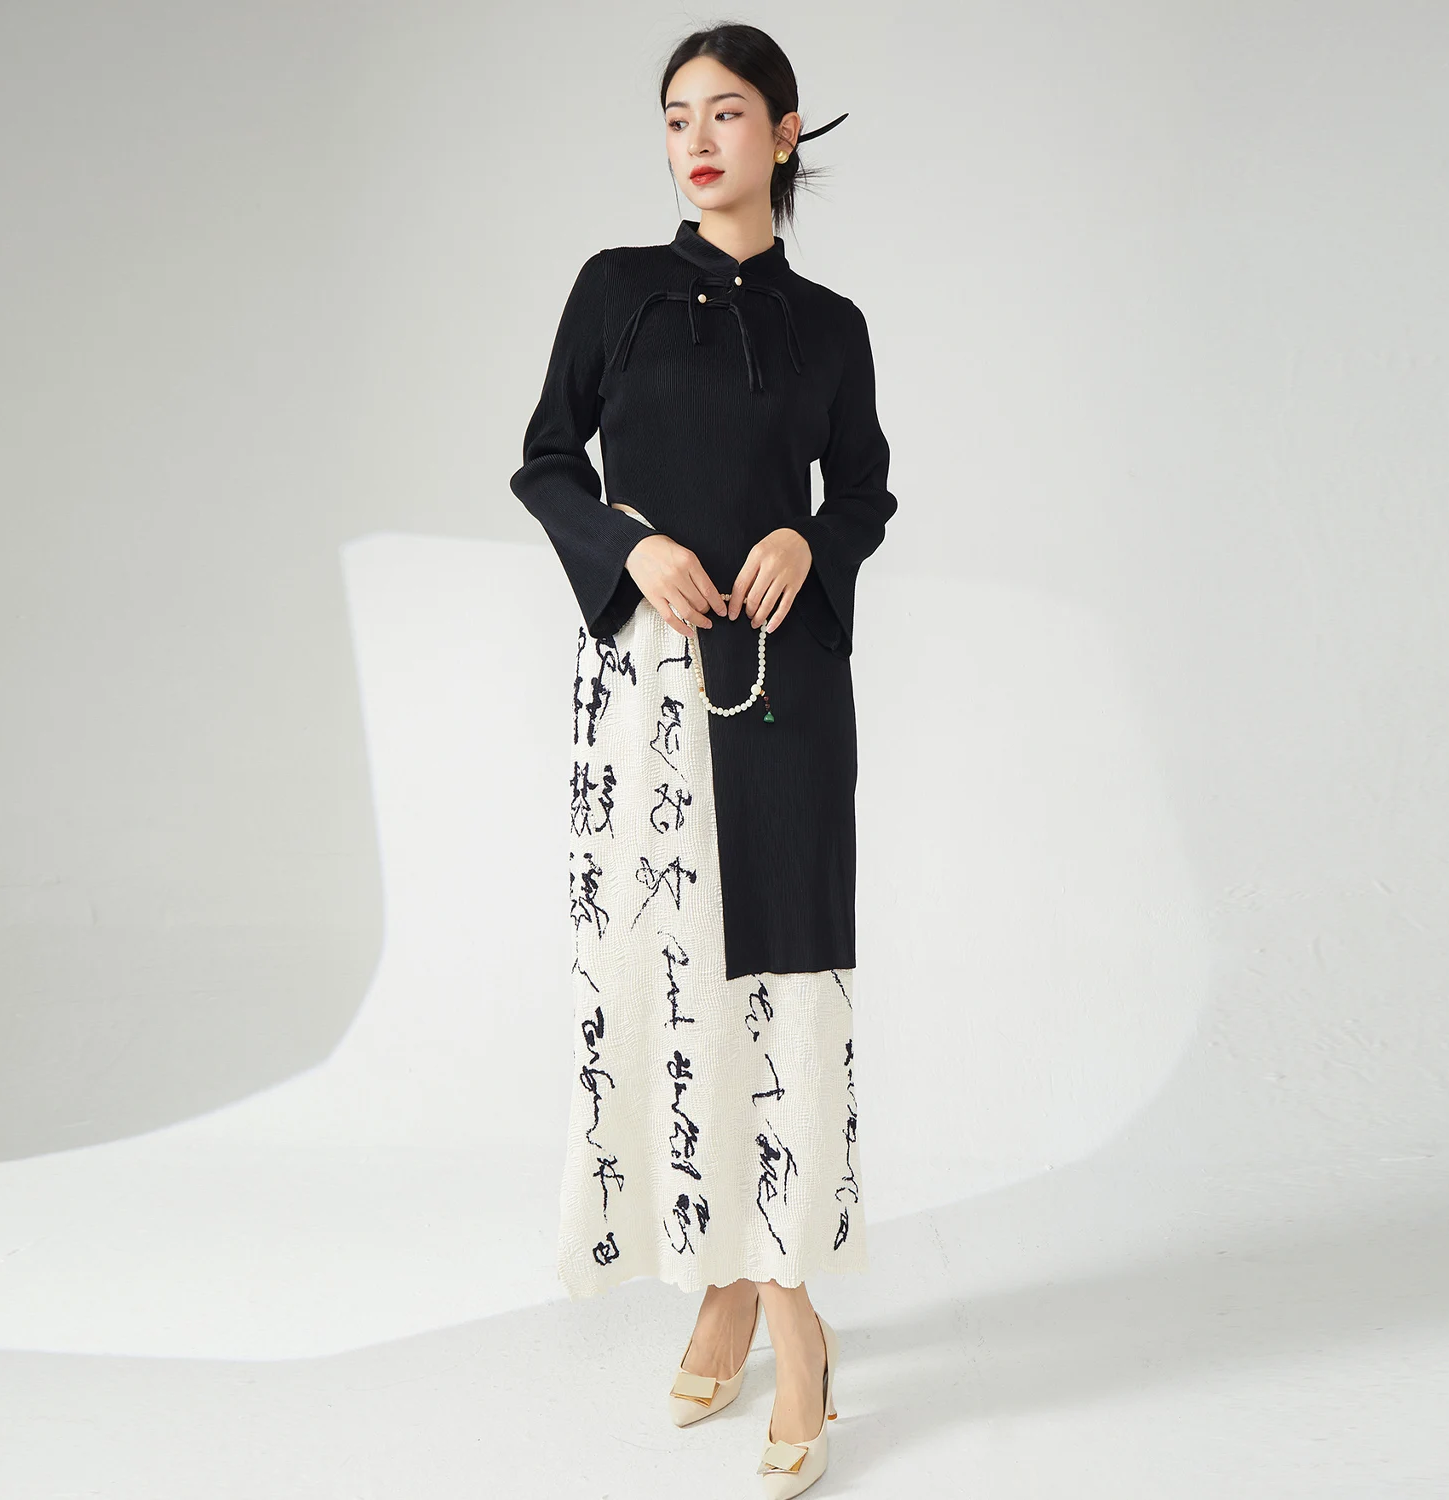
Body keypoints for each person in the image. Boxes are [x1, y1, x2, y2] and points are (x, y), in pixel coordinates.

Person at [509, 23, 897, 1496]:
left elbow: (865, 491)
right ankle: (722, 1285)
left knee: (782, 984)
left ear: (785, 134)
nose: (697, 140)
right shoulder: (615, 292)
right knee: (666, 978)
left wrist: (807, 536)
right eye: (678, 116)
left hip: (785, 693)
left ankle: (792, 1321)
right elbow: (547, 458)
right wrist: (634, 547)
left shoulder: (830, 325)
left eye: (727, 114)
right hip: (645, 692)